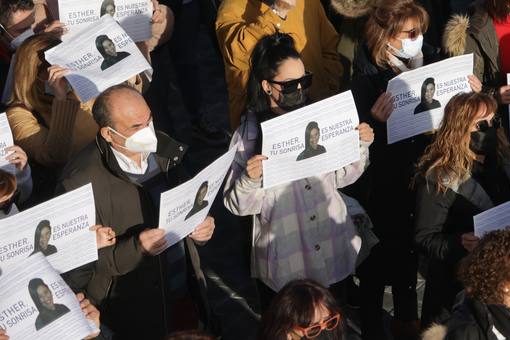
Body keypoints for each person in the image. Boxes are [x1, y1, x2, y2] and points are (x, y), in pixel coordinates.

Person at [56, 85, 215, 337]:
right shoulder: (78, 182)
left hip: (182, 290)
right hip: (131, 308)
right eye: (135, 127)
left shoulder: (164, 147)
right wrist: (136, 248)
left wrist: (201, 223)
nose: (147, 131)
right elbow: (76, 267)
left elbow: (189, 198)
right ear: (108, 134)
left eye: (149, 120)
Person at [223, 35, 374, 294]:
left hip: (329, 242)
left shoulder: (319, 118)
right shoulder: (248, 135)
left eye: (305, 81)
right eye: (291, 85)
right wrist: (250, 179)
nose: (301, 90)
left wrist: (360, 145)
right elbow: (237, 205)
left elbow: (343, 177)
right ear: (267, 86)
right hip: (288, 255)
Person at [414, 91, 510, 325]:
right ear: (460, 129)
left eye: (494, 121)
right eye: (481, 125)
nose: (491, 129)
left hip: (506, 279)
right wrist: (459, 242)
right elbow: (425, 237)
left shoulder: (509, 158)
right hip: (460, 289)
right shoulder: (439, 178)